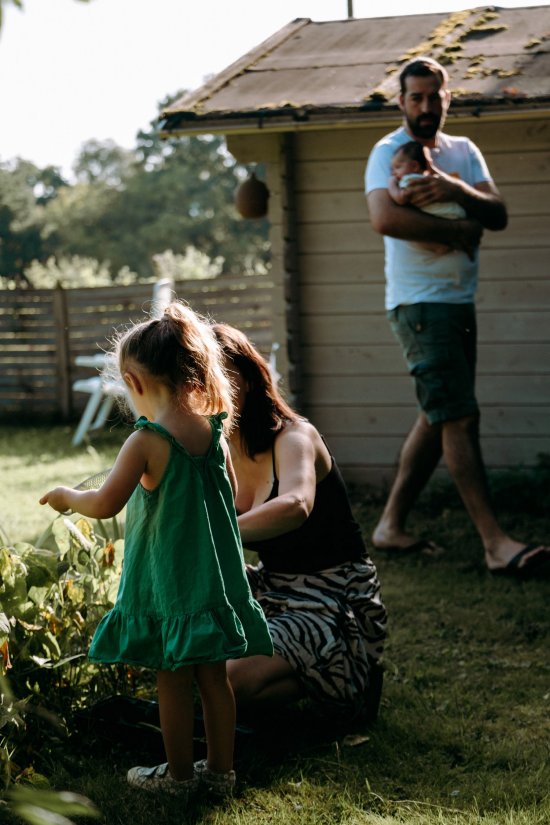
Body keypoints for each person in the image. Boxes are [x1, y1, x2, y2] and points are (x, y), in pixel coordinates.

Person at [40, 302, 273, 801]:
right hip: (213, 580)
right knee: (214, 679)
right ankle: (221, 774)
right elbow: (231, 496)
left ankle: (179, 778)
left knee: (171, 679)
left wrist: (66, 496)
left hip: (169, 579)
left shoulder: (145, 441)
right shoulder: (214, 430)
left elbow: (104, 503)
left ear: (135, 380)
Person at [365, 56, 550, 578]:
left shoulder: (464, 153)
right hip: (420, 303)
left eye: (434, 96)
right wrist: (459, 231)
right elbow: (385, 217)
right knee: (460, 417)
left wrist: (452, 190)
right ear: (401, 102)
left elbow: (498, 212)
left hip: (456, 300)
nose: (425, 106)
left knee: (439, 412)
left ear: (448, 98)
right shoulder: (387, 154)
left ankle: (389, 525)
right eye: (415, 97)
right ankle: (496, 543)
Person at [213, 323, 387, 721]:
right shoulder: (217, 449)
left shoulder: (294, 437)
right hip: (271, 586)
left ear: (250, 378)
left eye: (221, 375)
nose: (209, 388)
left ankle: (353, 673)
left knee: (227, 683)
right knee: (189, 657)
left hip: (332, 594)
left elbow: (295, 504)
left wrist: (219, 533)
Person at [389, 140, 465, 257]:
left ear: (414, 166)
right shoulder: (430, 179)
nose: (394, 173)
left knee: (409, 231)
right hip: (455, 214)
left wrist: (391, 184)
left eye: (398, 167)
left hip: (443, 217)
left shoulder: (410, 180)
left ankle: (439, 247)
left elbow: (400, 198)